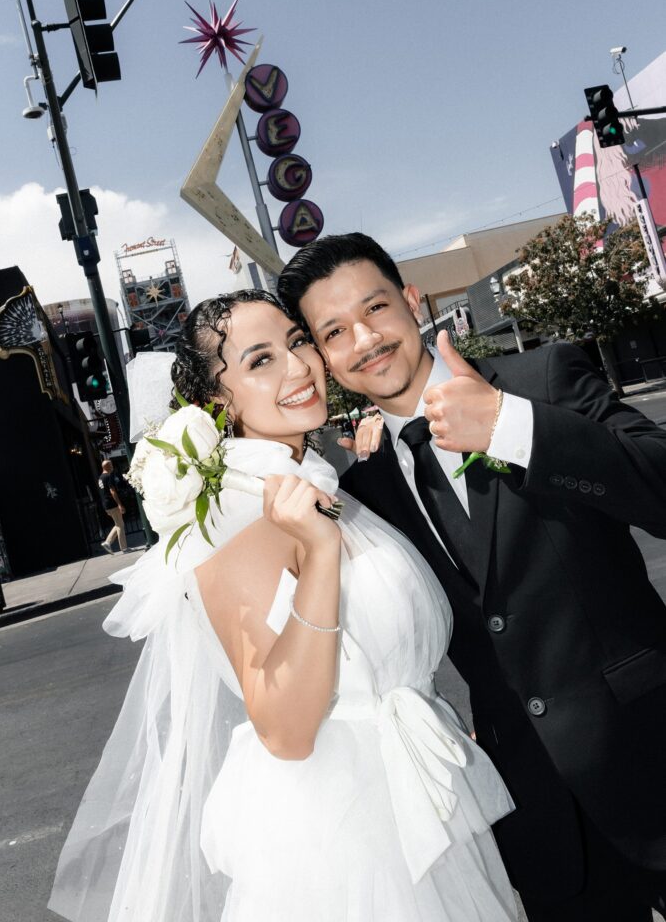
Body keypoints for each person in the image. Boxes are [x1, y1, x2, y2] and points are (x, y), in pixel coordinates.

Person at [49, 289, 517, 922]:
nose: (299, 367)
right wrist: (320, 557)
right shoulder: (241, 514)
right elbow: (284, 730)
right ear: (219, 401)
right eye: (260, 360)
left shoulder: (317, 484)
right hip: (349, 838)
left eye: (298, 343)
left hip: (417, 800)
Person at [277, 232, 666, 922]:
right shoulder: (362, 495)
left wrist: (514, 428)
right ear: (321, 356)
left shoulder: (538, 381)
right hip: (539, 822)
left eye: (375, 308)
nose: (364, 339)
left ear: (413, 300)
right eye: (334, 331)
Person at [97, 459, 127, 555]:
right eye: (111, 465)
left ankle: (107, 542)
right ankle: (124, 548)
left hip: (106, 505)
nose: (112, 466)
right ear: (107, 466)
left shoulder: (100, 478)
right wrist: (119, 504)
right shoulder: (108, 476)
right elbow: (112, 491)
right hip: (112, 503)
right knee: (120, 525)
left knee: (118, 524)